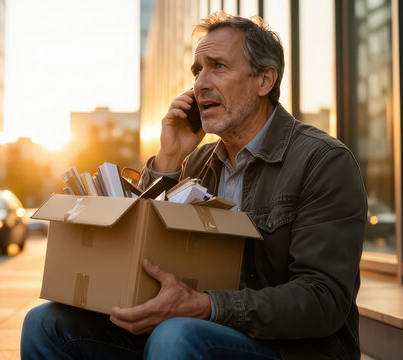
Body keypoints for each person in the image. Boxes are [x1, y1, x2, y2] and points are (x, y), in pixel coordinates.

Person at [21, 13, 367, 360]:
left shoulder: (322, 161)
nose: (200, 83)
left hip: (291, 349)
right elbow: (140, 250)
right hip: (194, 329)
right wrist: (169, 159)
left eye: (217, 66)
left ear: (264, 80)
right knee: (46, 323)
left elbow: (323, 299)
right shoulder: (197, 163)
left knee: (175, 337)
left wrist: (206, 306)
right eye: (197, 70)